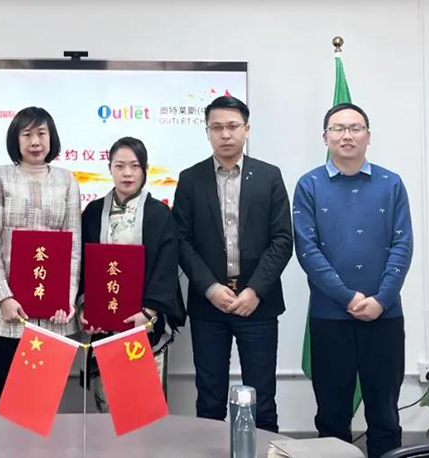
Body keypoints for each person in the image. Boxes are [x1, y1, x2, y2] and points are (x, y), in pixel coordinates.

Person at [294, 103, 412, 458]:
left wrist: (381, 299)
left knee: (385, 414)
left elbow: (402, 245)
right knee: (332, 415)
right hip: (330, 316)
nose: (347, 135)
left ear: (368, 136)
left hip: (384, 314)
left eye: (355, 128)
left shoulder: (391, 183)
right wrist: (347, 297)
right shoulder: (309, 184)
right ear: (325, 137)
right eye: (338, 128)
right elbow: (307, 250)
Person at [172, 95, 293, 433]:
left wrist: (255, 290)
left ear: (246, 129)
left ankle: (262, 450)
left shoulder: (269, 176)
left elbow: (282, 240)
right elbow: (181, 241)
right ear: (207, 132)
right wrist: (210, 288)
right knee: (209, 398)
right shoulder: (190, 178)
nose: (225, 134)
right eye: (217, 127)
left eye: (232, 126)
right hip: (208, 305)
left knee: (262, 398)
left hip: (258, 304)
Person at [0, 106, 81, 415]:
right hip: (6, 312)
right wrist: (3, 297)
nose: (35, 142)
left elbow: (73, 245)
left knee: (40, 407)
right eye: (27, 134)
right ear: (16, 139)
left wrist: (66, 298)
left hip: (51, 314)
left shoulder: (67, 180)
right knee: (4, 403)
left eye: (42, 134)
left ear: (51, 137)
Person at [79, 136, 186, 410]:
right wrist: (86, 309)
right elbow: (82, 265)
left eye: (135, 166)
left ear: (144, 169)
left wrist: (148, 312)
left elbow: (166, 266)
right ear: (110, 168)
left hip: (144, 323)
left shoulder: (159, 213)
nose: (127, 173)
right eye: (120, 166)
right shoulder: (93, 212)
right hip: (104, 327)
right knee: (108, 408)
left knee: (143, 410)